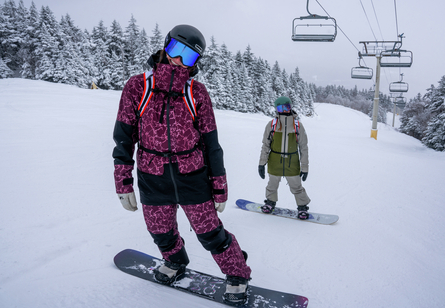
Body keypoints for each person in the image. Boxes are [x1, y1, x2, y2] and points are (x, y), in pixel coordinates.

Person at [112, 24, 251, 305]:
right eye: (176, 50)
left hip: (192, 176)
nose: (178, 60)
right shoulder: (138, 86)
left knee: (211, 234)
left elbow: (211, 143)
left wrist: (219, 184)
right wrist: (123, 180)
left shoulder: (196, 92)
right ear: (166, 46)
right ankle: (175, 262)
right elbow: (124, 138)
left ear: (195, 62)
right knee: (160, 231)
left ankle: (237, 274)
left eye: (188, 57)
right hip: (152, 175)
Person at [258, 96, 311, 219]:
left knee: (297, 187)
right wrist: (262, 163)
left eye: (287, 107)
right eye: (281, 108)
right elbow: (265, 145)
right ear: (277, 109)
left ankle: (302, 207)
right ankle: (270, 202)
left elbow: (304, 148)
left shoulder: (298, 126)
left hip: (292, 162)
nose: (285, 110)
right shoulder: (272, 125)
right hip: (274, 160)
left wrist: (305, 167)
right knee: (272, 185)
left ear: (290, 107)